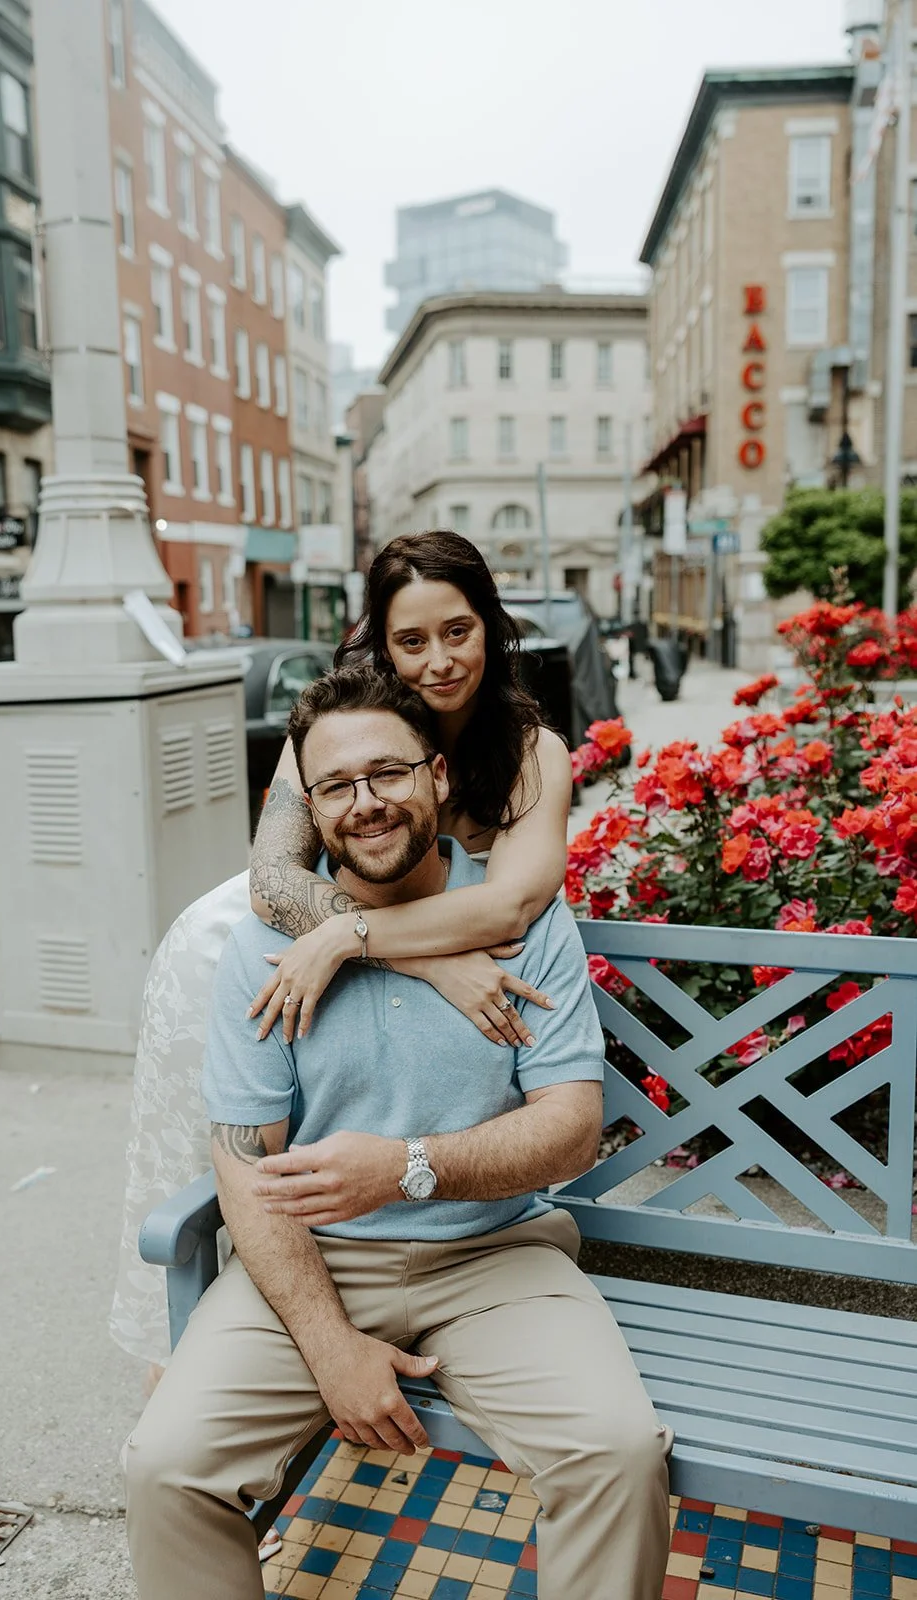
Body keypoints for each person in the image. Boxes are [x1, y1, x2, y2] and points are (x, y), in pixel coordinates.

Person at [123, 666, 671, 1600]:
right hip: (308, 1264)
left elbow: (571, 1132)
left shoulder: (522, 923)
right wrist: (331, 1348)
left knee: (615, 1458)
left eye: (388, 774)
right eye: (336, 785)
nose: (365, 804)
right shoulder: (265, 941)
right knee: (165, 1468)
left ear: (439, 777)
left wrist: (408, 1169)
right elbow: (242, 1158)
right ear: (308, 803)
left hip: (494, 1256)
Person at [109, 531, 573, 1378]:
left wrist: (363, 940)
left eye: (458, 631)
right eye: (410, 640)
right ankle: (198, 1354)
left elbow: (511, 903)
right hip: (282, 938)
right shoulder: (333, 726)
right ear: (380, 642)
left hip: (379, 929)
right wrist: (423, 957)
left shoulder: (530, 751)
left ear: (491, 626)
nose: (438, 661)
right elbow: (270, 882)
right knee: (227, 1135)